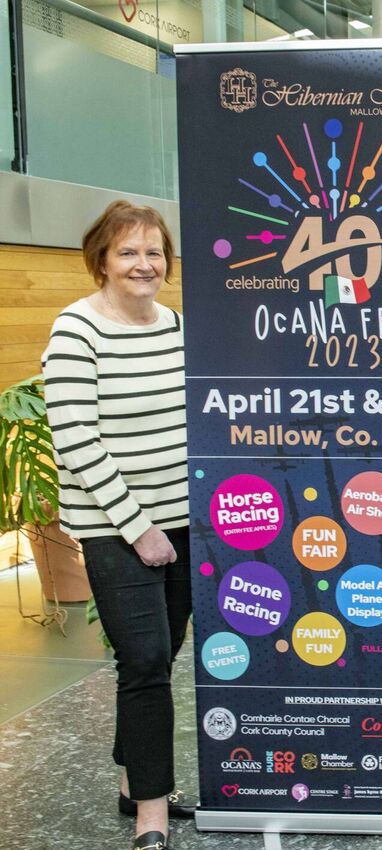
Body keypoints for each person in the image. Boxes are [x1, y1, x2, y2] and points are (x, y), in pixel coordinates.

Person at [41, 201, 193, 850]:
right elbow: (76, 439)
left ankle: (135, 777)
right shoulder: (77, 330)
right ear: (101, 259)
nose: (144, 264)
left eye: (154, 251)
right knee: (147, 661)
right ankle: (150, 813)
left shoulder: (175, 326)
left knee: (156, 659)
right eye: (128, 252)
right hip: (115, 528)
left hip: (186, 523)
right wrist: (138, 528)